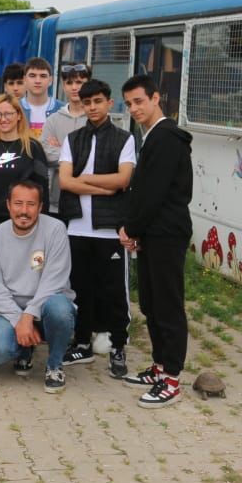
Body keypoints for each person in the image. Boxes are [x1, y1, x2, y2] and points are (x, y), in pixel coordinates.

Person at [118, 74, 193, 408]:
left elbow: (154, 194)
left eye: (139, 101)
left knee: (168, 305)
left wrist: (131, 228)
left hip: (166, 233)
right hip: (152, 232)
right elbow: (142, 191)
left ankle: (172, 380)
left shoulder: (166, 138)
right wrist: (136, 229)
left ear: (156, 98)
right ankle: (160, 367)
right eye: (129, 103)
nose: (134, 108)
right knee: (150, 302)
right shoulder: (151, 136)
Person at [57, 79, 135, 378]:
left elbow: (124, 180)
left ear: (109, 103)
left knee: (114, 292)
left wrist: (85, 181)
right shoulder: (72, 139)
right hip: (76, 227)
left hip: (108, 229)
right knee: (81, 290)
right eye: (87, 102)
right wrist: (105, 186)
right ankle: (82, 343)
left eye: (98, 101)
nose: (92, 107)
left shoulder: (124, 138)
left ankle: (118, 346)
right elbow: (65, 181)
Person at [0, 181, 76, 393]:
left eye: (31, 204)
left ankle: (54, 365)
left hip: (49, 302)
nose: (24, 211)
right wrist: (19, 320)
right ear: (8, 205)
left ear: (40, 207)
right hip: (13, 307)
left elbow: (54, 279)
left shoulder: (55, 230)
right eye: (18, 203)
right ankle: (25, 348)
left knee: (61, 311)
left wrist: (29, 315)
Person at [0, 95, 49, 251]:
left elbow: (42, 189)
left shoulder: (33, 148)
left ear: (18, 115)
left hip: (23, 221)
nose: (3, 119)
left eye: (8, 114)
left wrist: (42, 225)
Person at [40, 63, 90, 212]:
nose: (74, 87)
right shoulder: (53, 120)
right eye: (69, 83)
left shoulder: (96, 119)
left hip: (88, 200)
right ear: (63, 85)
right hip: (57, 203)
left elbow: (99, 157)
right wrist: (80, 156)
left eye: (79, 82)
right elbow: (46, 154)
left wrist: (61, 150)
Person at [21, 57, 64, 140]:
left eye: (43, 76)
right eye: (32, 76)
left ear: (51, 80)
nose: (38, 80)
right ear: (24, 79)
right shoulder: (15, 108)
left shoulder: (62, 109)